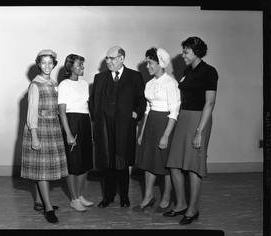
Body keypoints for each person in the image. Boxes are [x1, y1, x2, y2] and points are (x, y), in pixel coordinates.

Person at [164, 37, 219, 225]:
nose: (183, 55)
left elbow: (210, 103)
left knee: (194, 166)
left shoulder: (209, 72)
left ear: (197, 52)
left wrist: (199, 131)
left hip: (199, 119)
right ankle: (180, 204)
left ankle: (193, 209)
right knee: (174, 163)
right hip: (184, 117)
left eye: (186, 52)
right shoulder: (188, 70)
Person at [88, 46, 146, 208]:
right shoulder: (99, 78)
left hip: (124, 127)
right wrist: (98, 120)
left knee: (122, 162)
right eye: (107, 58)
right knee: (107, 163)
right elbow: (92, 102)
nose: (108, 61)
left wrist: (135, 114)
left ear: (122, 58)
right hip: (104, 126)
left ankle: (125, 196)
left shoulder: (134, 76)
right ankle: (108, 196)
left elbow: (141, 100)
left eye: (112, 58)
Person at [21, 49, 68, 224]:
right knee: (42, 171)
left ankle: (40, 201)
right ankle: (48, 209)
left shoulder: (54, 83)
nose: (47, 66)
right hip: (39, 129)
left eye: (50, 63)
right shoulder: (35, 85)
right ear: (38, 64)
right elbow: (31, 112)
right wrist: (34, 136)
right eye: (43, 63)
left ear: (54, 64)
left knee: (43, 169)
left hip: (52, 128)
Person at [133, 47, 181, 213]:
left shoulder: (171, 83)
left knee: (165, 164)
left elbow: (174, 112)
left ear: (160, 63)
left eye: (151, 63)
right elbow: (147, 109)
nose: (148, 66)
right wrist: (142, 132)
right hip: (151, 123)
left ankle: (166, 198)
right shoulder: (149, 83)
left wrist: (166, 135)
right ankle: (148, 197)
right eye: (147, 63)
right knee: (147, 162)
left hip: (165, 124)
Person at [58, 54, 94, 212]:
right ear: (70, 67)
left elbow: (87, 108)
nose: (82, 68)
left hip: (85, 122)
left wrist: (91, 130)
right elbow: (62, 111)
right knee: (73, 164)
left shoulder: (85, 84)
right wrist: (68, 133)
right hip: (72, 122)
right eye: (79, 65)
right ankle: (73, 199)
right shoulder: (64, 84)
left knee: (85, 162)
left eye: (83, 65)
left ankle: (79, 196)